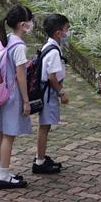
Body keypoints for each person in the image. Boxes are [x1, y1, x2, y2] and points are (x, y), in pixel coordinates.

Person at [0, 4, 34, 189]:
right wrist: (26, 101)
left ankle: (0, 170)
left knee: (3, 133)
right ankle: (4, 175)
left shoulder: (8, 39)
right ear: (22, 24)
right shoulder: (19, 47)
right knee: (9, 135)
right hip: (13, 95)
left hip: (3, 93)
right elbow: (20, 76)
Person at [33, 14, 70, 175]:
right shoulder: (54, 52)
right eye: (66, 30)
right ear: (58, 33)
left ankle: (41, 157)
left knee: (45, 126)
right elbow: (52, 77)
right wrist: (61, 93)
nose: (67, 33)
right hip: (48, 94)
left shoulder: (49, 46)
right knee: (44, 126)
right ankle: (40, 162)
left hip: (46, 92)